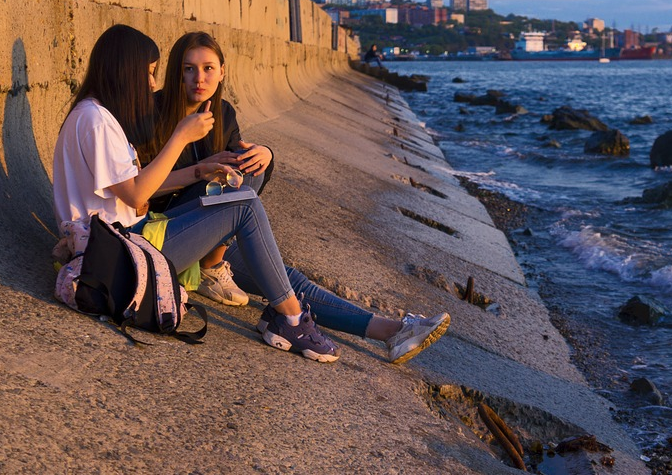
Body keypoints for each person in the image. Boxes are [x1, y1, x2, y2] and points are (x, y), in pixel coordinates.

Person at [148, 31, 451, 364]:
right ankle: (218, 271)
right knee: (247, 177)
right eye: (189, 69)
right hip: (170, 234)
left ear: (222, 71)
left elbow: (235, 168)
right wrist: (201, 169)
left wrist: (266, 153)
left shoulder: (223, 113)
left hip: (208, 236)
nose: (199, 78)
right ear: (176, 71)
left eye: (208, 68)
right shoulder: (156, 111)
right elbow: (138, 191)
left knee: (284, 276)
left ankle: (391, 331)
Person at [52, 24, 341, 363]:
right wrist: (180, 138)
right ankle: (291, 319)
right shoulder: (96, 120)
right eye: (148, 74)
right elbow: (135, 195)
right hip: (119, 250)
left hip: (126, 237)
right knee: (243, 207)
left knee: (248, 207)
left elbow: (135, 192)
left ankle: (370, 326)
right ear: (125, 71)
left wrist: (201, 170)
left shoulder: (97, 115)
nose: (152, 84)